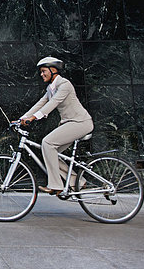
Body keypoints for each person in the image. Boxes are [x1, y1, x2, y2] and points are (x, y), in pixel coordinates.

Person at [15, 56, 94, 195]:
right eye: (41, 72)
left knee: (47, 143)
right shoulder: (50, 88)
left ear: (53, 70)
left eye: (43, 71)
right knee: (51, 153)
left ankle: (56, 185)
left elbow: (53, 103)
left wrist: (34, 118)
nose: (41, 74)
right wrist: (21, 119)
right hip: (70, 124)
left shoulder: (65, 85)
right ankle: (78, 182)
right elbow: (40, 103)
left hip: (81, 123)